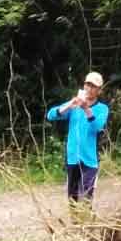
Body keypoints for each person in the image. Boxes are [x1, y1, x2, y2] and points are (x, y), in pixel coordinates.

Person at [46, 72, 109, 205]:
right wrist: (70, 104)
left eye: (93, 86)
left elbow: (97, 127)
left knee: (86, 199)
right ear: (84, 85)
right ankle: (75, 225)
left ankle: (86, 224)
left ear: (99, 90)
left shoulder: (102, 108)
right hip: (72, 158)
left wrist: (86, 109)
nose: (89, 89)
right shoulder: (74, 107)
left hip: (90, 161)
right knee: (73, 200)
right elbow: (51, 115)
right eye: (87, 85)